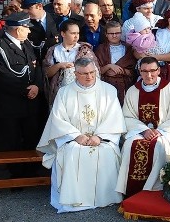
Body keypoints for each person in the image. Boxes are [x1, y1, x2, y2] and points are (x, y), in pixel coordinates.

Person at [37, 58, 126, 213]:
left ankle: (106, 197)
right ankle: (74, 199)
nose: (89, 76)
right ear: (75, 73)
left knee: (106, 152)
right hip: (73, 139)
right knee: (72, 151)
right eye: (84, 73)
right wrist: (76, 136)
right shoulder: (64, 92)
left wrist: (99, 136)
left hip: (102, 139)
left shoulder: (108, 90)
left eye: (92, 72)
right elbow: (58, 120)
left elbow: (114, 117)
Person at [117, 57, 170, 197]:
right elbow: (126, 117)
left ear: (159, 70)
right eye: (144, 71)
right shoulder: (133, 91)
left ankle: (157, 189)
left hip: (165, 132)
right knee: (130, 145)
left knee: (160, 146)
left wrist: (160, 131)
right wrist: (143, 130)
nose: (149, 75)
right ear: (140, 71)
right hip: (140, 131)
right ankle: (133, 190)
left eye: (152, 71)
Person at [0, 12, 46, 152]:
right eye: (27, 27)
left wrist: (37, 86)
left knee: (32, 141)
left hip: (30, 106)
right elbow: (4, 77)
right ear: (19, 29)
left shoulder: (25, 43)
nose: (30, 30)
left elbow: (36, 66)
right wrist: (27, 90)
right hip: (11, 107)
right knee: (13, 144)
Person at [43, 20, 98, 106]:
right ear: (63, 34)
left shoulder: (85, 50)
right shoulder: (54, 50)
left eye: (78, 33)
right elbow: (46, 73)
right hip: (59, 94)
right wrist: (59, 66)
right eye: (73, 33)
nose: (76, 36)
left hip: (82, 93)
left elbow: (95, 72)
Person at [94, 20, 136, 106]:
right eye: (111, 33)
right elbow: (97, 71)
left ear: (121, 33)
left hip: (125, 85)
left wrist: (121, 71)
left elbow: (134, 71)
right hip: (106, 85)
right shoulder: (100, 49)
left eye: (117, 33)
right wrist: (109, 66)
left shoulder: (129, 48)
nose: (114, 36)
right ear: (106, 34)